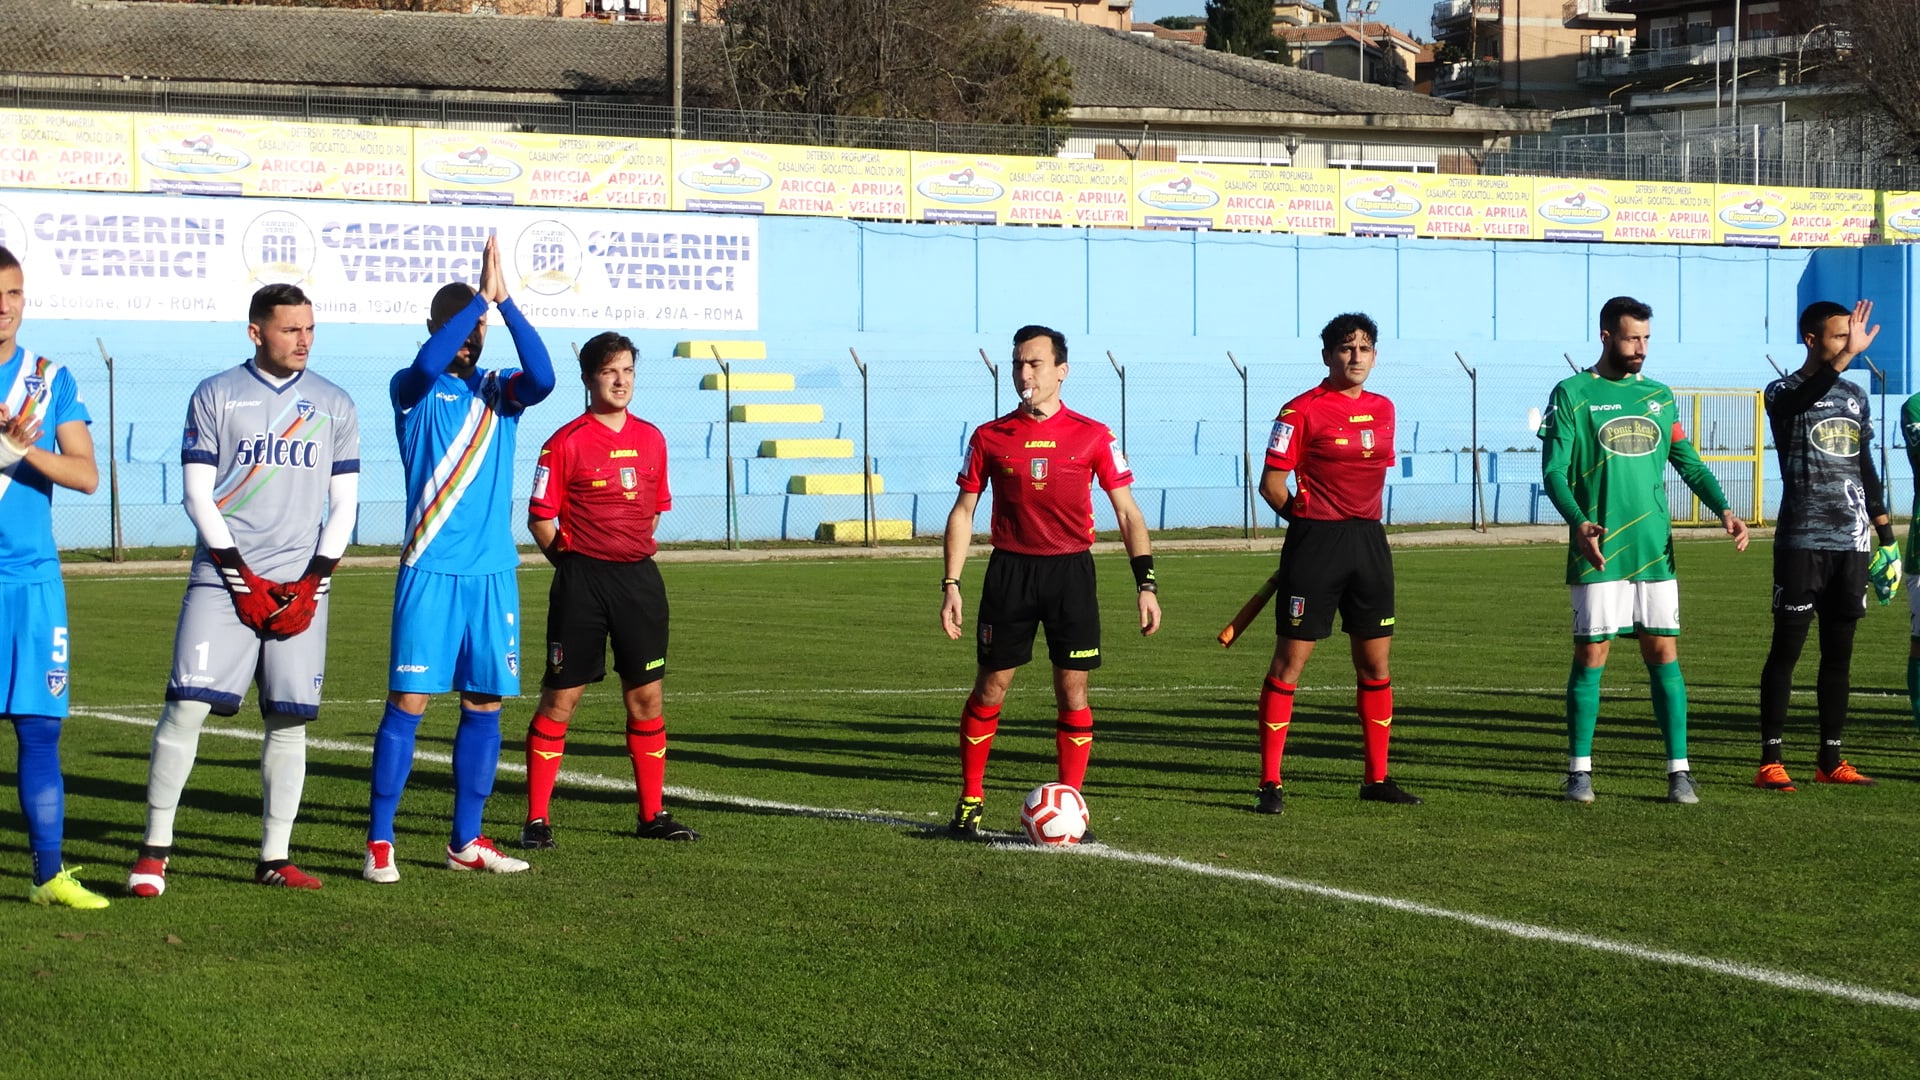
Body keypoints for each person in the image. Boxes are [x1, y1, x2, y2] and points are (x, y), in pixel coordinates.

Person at [126, 284, 358, 896]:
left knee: (288, 720)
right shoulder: (217, 394)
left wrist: (313, 582)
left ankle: (274, 858)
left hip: (301, 584)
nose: (303, 340)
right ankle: (154, 853)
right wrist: (238, 577)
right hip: (223, 579)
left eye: (310, 328)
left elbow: (345, 504)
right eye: (290, 329)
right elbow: (197, 493)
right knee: (187, 707)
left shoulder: (335, 403)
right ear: (256, 332)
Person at [365, 235, 556, 883]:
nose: (470, 341)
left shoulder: (500, 391)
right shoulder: (411, 390)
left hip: (492, 577)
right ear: (437, 327)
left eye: (478, 331)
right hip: (429, 571)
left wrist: (506, 305)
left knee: (484, 706)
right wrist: (475, 300)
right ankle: (380, 840)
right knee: (410, 704)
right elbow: (427, 363)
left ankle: (465, 840)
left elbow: (547, 378)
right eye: (459, 330)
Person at [938, 324, 1161, 839]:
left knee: (1073, 692)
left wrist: (1145, 584)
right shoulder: (990, 436)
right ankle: (970, 802)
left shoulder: (1094, 435)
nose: (1024, 373)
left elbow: (1127, 514)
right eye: (1018, 363)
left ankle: (1072, 808)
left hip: (1071, 573)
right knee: (991, 688)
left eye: (1035, 363)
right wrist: (951, 583)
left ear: (1062, 370)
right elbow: (963, 511)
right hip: (1010, 573)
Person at [1539, 296, 1748, 806]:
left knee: (1664, 653)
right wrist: (1579, 523)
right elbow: (1553, 472)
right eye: (1633, 338)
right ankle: (1579, 773)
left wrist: (1724, 508)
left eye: (1647, 339)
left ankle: (1679, 772)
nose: (1641, 349)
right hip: (1600, 549)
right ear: (1607, 336)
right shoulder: (1572, 394)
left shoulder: (1658, 396)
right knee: (1592, 654)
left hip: (1655, 549)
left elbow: (1689, 462)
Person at [517, 332, 694, 848]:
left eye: (628, 372)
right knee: (561, 698)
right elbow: (540, 518)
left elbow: (654, 509)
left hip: (639, 581)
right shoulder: (565, 441)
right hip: (582, 582)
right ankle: (536, 820)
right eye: (610, 371)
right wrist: (573, 568)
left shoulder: (653, 438)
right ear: (589, 378)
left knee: (646, 697)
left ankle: (653, 815)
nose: (620, 381)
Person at [1253, 312, 1420, 815]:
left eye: (1365, 348)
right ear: (1327, 355)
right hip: (1316, 544)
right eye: (1346, 348)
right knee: (1289, 664)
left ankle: (1376, 778)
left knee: (1375, 665)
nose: (1356, 357)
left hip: (1369, 542)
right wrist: (1304, 526)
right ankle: (1270, 783)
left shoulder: (1385, 409)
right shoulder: (1299, 410)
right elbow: (1271, 485)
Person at [0, 246, 107, 909]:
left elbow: (86, 474)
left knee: (40, 729)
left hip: (32, 583)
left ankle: (48, 877)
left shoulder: (47, 378)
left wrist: (20, 447)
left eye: (12, 293)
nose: (2, 306)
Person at [1757, 299, 1893, 792]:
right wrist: (1841, 359)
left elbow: (1864, 467)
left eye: (1849, 338)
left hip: (1852, 545)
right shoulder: (1782, 391)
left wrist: (1886, 538)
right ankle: (1771, 758)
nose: (1848, 346)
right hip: (1801, 543)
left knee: (1840, 655)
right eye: (1839, 337)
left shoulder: (1856, 396)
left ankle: (1830, 758)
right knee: (1787, 650)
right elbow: (1797, 403)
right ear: (1812, 339)